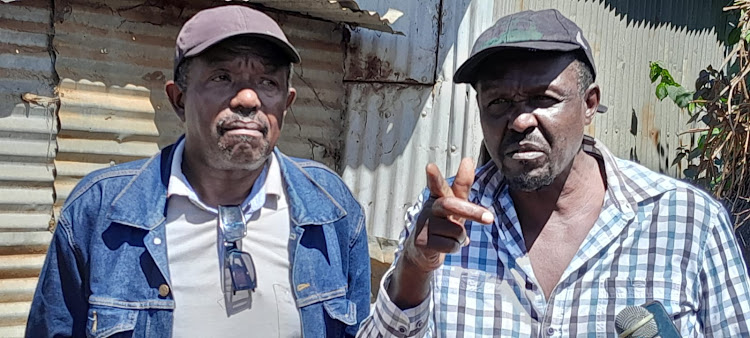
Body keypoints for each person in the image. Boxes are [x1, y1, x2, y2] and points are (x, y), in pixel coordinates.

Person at [359, 9, 750, 337]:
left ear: (589, 104)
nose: (520, 120)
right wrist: (414, 266)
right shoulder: (443, 223)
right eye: (498, 102)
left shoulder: (687, 222)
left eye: (543, 99)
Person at [26, 5, 370, 337]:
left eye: (268, 82)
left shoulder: (331, 208)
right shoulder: (100, 213)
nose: (249, 99)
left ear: (286, 103)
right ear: (178, 99)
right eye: (223, 77)